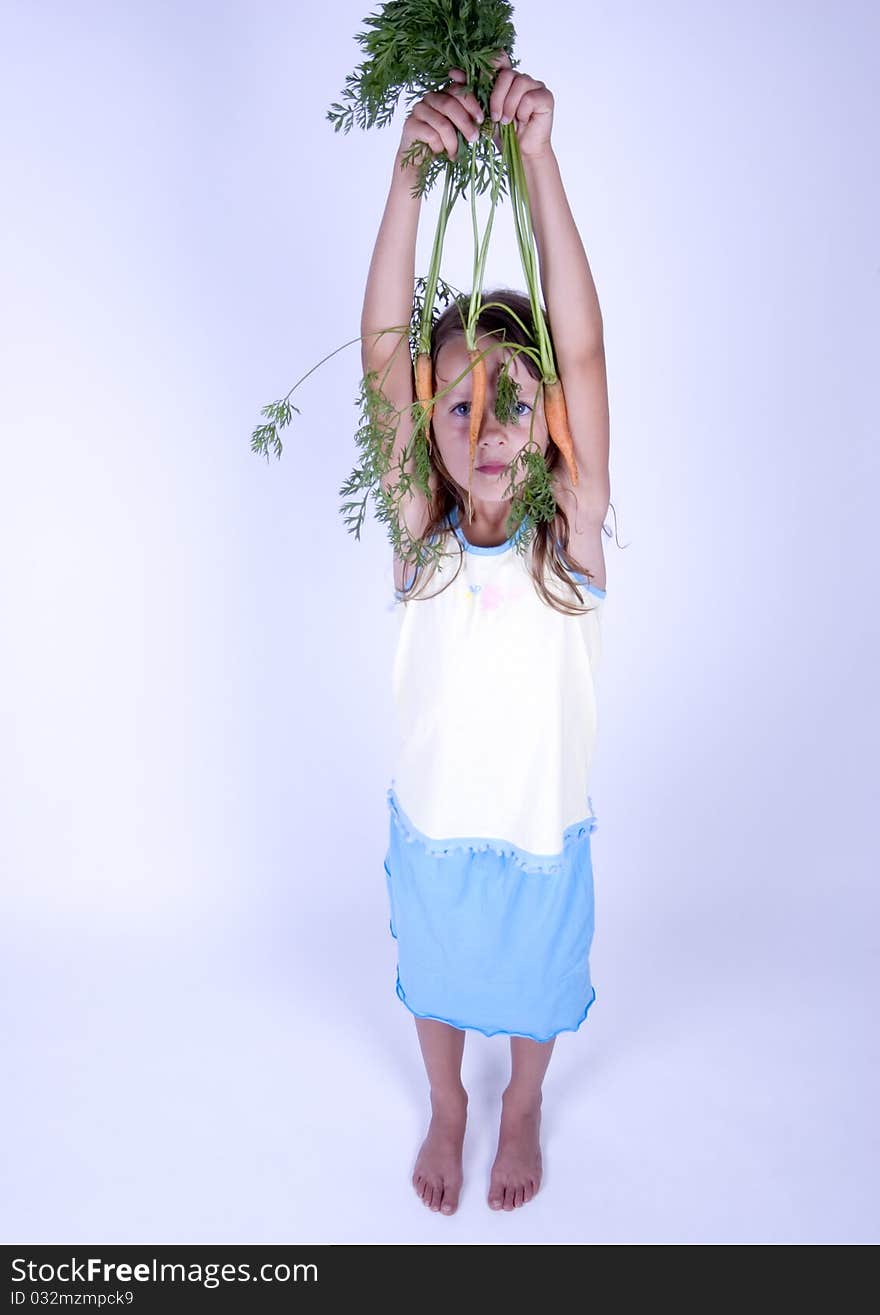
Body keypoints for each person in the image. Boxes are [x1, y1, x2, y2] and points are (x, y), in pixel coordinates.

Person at [362, 51, 611, 1215]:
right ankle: (451, 1096)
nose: (486, 420)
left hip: (537, 835)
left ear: (550, 420)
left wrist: (537, 164)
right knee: (439, 979)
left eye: (514, 396)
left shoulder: (570, 543)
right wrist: (412, 174)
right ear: (429, 429)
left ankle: (520, 1099)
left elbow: (587, 350)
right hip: (439, 831)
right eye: (457, 401)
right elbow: (381, 357)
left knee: (536, 984)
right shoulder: (420, 538)